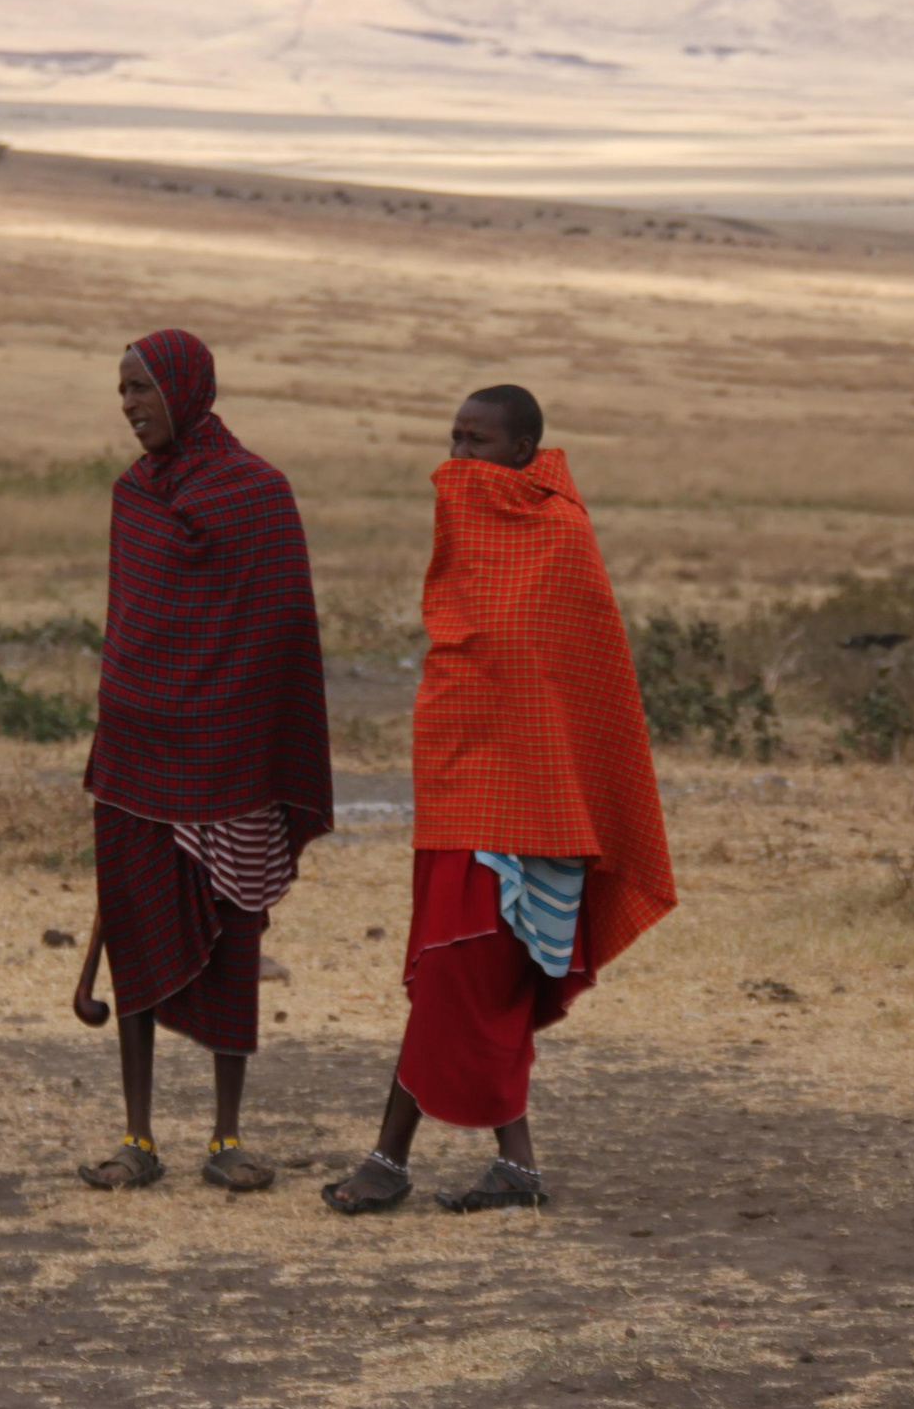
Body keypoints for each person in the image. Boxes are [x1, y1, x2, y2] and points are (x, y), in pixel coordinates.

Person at [323, 385, 676, 1215]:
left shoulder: (559, 536)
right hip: (462, 799)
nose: (460, 459)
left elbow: (583, 686)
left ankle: (389, 1160)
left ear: (523, 451)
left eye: (478, 442)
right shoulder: (468, 543)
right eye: (453, 438)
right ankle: (512, 1168)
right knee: (470, 982)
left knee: (463, 975)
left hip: (536, 811)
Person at [75, 328, 332, 1193]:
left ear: (186, 388)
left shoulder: (258, 494)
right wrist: (123, 717)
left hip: (230, 761)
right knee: (137, 939)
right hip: (137, 760)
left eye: (142, 388)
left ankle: (226, 1136)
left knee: (233, 943)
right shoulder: (131, 497)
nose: (131, 405)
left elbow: (281, 634)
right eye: (122, 391)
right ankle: (137, 1138)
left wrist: (241, 729)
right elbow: (130, 630)